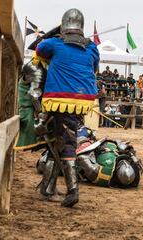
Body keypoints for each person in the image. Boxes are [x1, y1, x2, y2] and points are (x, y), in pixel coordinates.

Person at [35, 8, 100, 207]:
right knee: (57, 142)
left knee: (65, 144)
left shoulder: (54, 43)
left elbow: (39, 51)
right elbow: (94, 66)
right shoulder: (91, 48)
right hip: (82, 101)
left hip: (59, 100)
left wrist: (53, 36)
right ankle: (48, 187)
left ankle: (73, 190)